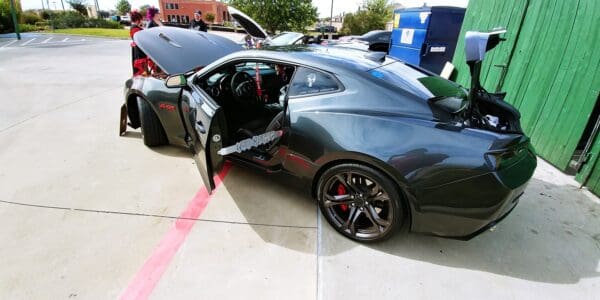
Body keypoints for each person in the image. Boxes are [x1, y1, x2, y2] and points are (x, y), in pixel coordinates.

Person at [129, 10, 147, 76]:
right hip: (139, 51)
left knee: (143, 69)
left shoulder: (136, 27)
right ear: (137, 19)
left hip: (139, 50)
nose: (142, 20)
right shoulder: (134, 28)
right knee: (142, 70)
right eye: (141, 19)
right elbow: (139, 39)